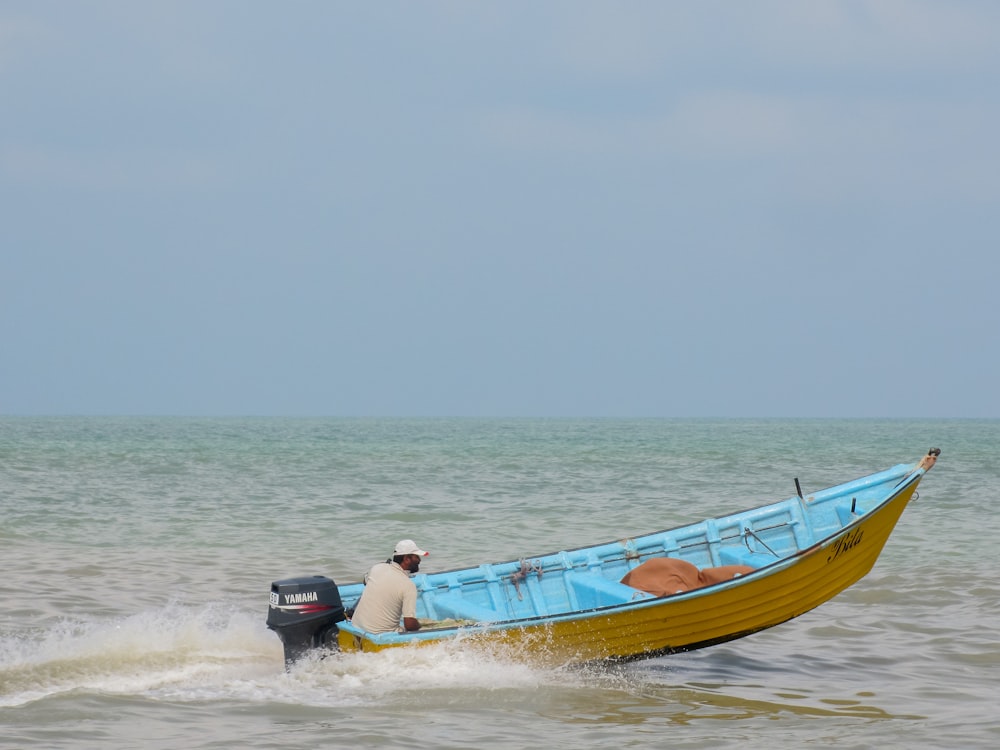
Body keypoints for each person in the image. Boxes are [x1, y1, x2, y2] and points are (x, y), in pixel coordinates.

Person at [349, 539, 429, 634]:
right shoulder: (408, 585)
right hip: (380, 635)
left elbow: (365, 581)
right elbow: (410, 625)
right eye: (416, 557)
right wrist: (420, 625)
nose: (419, 560)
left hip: (356, 627)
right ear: (407, 559)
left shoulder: (377, 568)